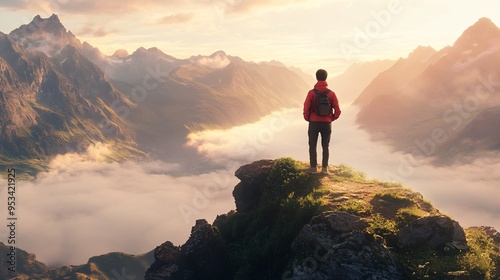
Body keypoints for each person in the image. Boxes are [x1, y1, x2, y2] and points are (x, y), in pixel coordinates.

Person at [303, 69, 341, 174]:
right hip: (326, 124)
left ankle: (313, 168)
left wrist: (308, 118)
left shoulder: (311, 93)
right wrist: (331, 118)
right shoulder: (331, 94)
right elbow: (337, 110)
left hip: (314, 123)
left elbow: (306, 107)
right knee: (325, 146)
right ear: (326, 78)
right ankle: (325, 169)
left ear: (316, 77)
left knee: (312, 145)